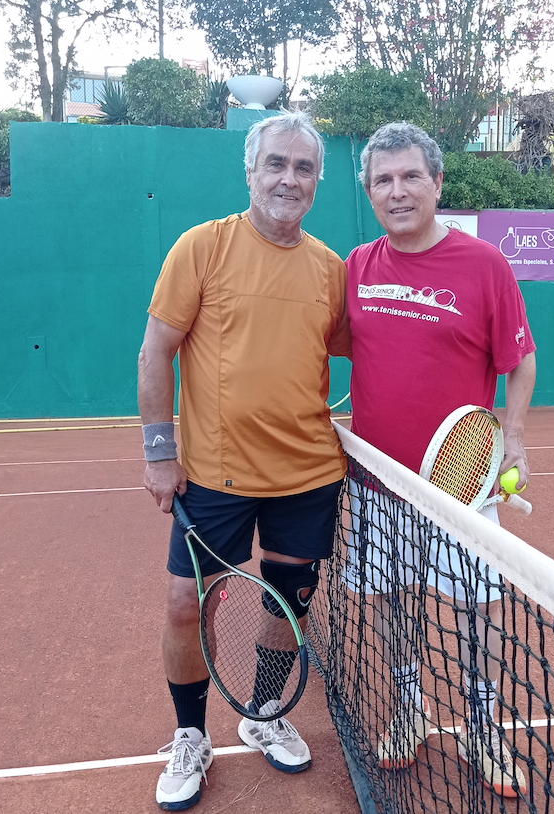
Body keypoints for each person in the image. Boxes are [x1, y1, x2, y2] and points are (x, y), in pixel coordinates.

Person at [137, 112, 349, 811]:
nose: (289, 179)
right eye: (276, 164)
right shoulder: (202, 247)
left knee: (288, 602)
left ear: (317, 181)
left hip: (308, 476)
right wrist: (160, 453)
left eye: (303, 168)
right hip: (213, 477)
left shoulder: (330, 270)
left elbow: (372, 347)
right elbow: (156, 352)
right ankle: (190, 736)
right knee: (184, 605)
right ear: (251, 171)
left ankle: (263, 713)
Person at [344, 122, 537, 797]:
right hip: (377, 483)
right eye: (382, 180)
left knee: (477, 610)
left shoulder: (485, 265)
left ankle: (482, 724)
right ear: (369, 192)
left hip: (462, 489)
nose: (397, 191)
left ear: (437, 183)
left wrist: (513, 436)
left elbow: (520, 359)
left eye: (410, 177)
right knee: (391, 602)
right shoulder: (356, 267)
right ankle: (409, 708)